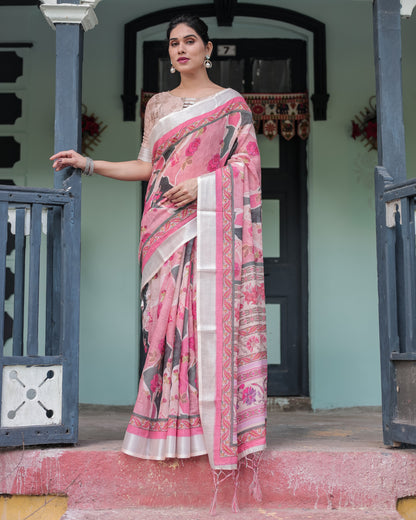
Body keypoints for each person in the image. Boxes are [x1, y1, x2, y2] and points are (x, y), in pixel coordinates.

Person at [51, 13, 267, 510]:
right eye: (173, 44)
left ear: (208, 47)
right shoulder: (158, 105)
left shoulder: (231, 106)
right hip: (162, 230)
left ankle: (207, 423)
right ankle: (169, 422)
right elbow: (148, 165)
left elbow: (248, 168)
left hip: (207, 228)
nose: (181, 49)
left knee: (202, 320)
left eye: (190, 41)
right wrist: (90, 163)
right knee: (164, 326)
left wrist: (207, 186)